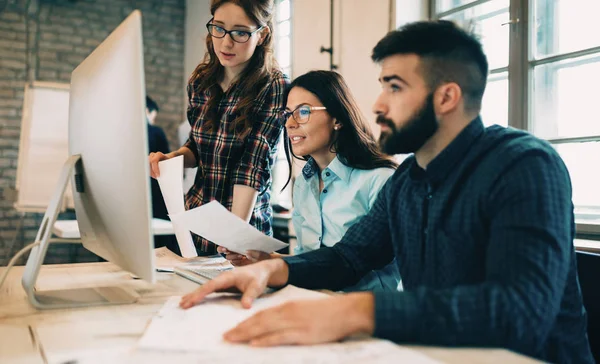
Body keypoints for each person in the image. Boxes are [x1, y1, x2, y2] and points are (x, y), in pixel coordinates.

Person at [179, 20, 594, 363]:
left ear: (446, 96)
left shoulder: (524, 166)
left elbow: (519, 312)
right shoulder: (410, 178)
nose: (377, 105)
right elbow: (349, 256)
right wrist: (271, 269)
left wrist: (356, 311)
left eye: (394, 87)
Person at [220, 70, 401, 292]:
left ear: (337, 119)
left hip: (364, 312)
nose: (290, 123)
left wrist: (277, 267)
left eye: (303, 111)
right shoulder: (304, 184)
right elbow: (310, 260)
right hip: (311, 301)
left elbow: (350, 261)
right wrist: (264, 261)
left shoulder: (380, 180)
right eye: (287, 114)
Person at [148, 0, 288, 255]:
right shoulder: (201, 81)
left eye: (240, 32)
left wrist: (235, 237)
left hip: (243, 228)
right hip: (197, 223)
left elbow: (252, 165)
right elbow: (197, 147)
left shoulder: (273, 85)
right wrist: (172, 159)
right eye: (219, 28)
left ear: (262, 34)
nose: (226, 42)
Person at [146, 96, 170, 221]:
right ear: (146, 111)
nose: (153, 121)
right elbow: (166, 160)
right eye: (153, 117)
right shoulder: (156, 132)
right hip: (156, 187)